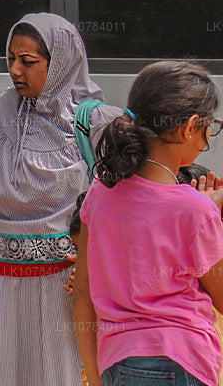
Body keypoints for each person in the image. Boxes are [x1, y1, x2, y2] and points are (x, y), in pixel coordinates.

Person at [0, 13, 118, 386]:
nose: (16, 70)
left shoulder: (96, 126)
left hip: (65, 287)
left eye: (28, 61)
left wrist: (93, 265)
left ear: (62, 62)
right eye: (11, 59)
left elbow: (123, 207)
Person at [73, 61, 223, 386]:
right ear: (190, 127)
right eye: (211, 126)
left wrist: (97, 377)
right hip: (181, 360)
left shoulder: (100, 193)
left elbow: (82, 296)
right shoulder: (196, 210)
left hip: (115, 360)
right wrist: (210, 217)